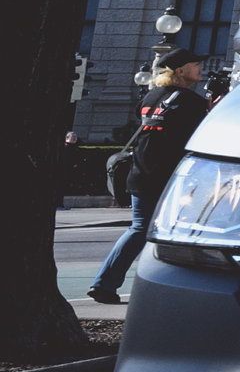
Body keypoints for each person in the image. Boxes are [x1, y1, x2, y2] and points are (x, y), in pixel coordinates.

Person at [88, 47, 215, 305]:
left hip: (141, 173)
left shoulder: (150, 98)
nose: (200, 68)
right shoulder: (190, 102)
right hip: (172, 179)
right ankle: (177, 288)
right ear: (180, 70)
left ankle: (105, 283)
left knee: (138, 229)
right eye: (195, 64)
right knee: (187, 232)